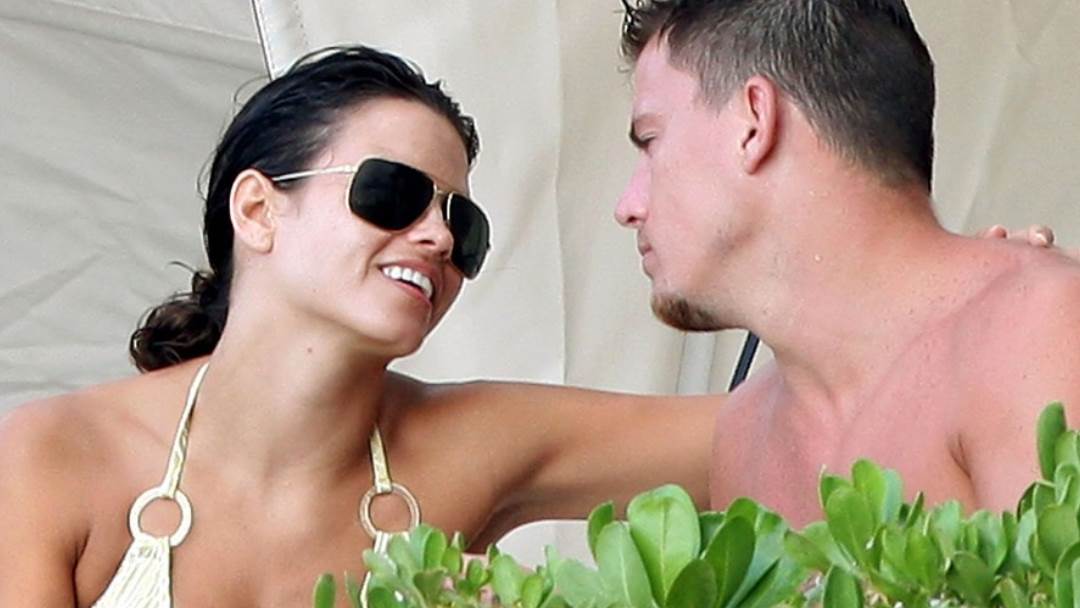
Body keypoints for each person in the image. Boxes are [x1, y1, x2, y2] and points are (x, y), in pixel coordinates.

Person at [0, 46, 717, 607]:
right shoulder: (53, 457)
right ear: (258, 211)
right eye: (392, 191)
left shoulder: (473, 444)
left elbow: (760, 432)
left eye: (463, 223)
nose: (439, 237)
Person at [614, 0, 1080, 526]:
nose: (628, 207)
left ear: (753, 122)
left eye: (650, 141)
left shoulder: (1036, 328)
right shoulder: (744, 435)